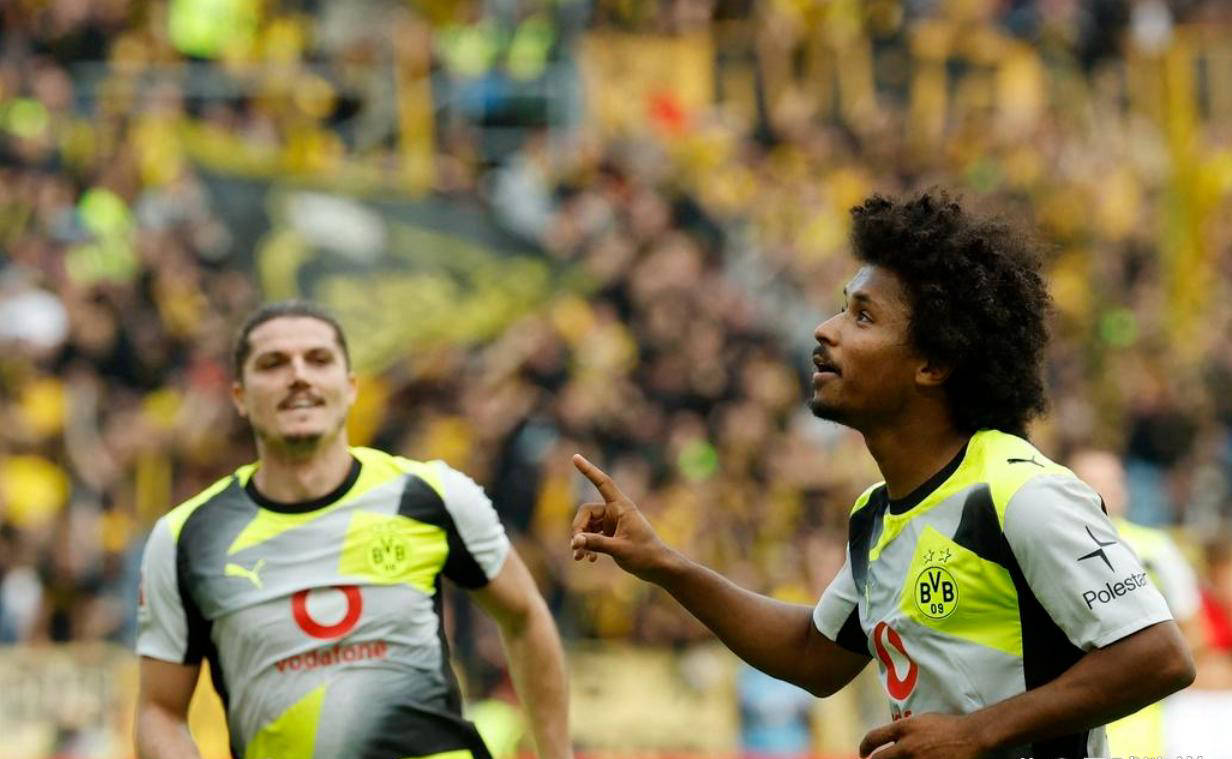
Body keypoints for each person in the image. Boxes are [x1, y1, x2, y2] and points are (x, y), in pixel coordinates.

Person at [569, 192, 1194, 759]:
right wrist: (664, 564)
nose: (826, 329)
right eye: (843, 309)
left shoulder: (1018, 494)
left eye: (863, 317)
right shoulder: (876, 514)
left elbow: (1158, 656)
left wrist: (976, 733)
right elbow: (812, 656)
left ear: (933, 363)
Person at [135, 301, 571, 759]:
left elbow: (526, 616)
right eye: (273, 363)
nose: (298, 376)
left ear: (350, 388)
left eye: (318, 359)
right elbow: (159, 709)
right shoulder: (186, 538)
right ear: (240, 396)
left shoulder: (431, 495)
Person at [1067, 448, 1203, 755]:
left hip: (1143, 731)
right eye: (1093, 481)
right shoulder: (1048, 549)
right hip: (1072, 723)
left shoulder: (1158, 549)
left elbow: (1195, 631)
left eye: (1115, 481)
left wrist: (1139, 670)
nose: (1106, 491)